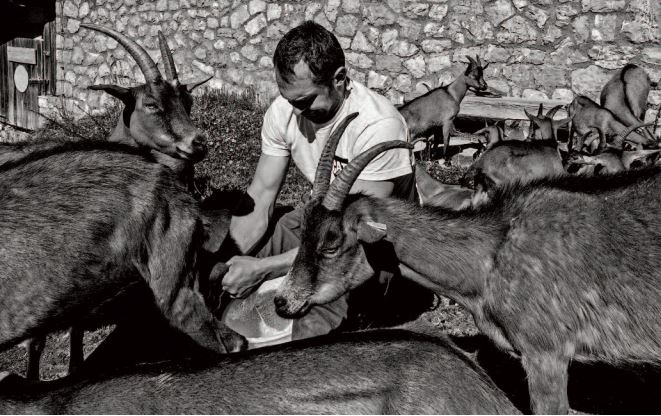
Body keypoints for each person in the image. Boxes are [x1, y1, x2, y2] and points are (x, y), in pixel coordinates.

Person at [223, 21, 416, 342]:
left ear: (339, 79)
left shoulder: (378, 124)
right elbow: (262, 195)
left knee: (315, 320)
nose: (295, 110)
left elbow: (351, 238)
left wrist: (265, 269)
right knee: (263, 242)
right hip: (321, 219)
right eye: (289, 99)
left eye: (306, 100)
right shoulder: (285, 109)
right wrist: (231, 262)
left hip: (374, 241)